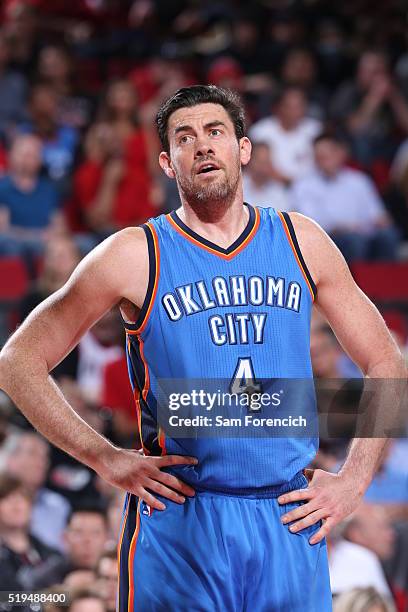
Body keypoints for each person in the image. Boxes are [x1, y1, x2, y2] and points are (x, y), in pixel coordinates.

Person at [0, 85, 405, 610]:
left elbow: (386, 360)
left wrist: (353, 481)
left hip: (286, 517)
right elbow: (17, 362)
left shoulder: (301, 240)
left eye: (215, 132)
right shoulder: (133, 254)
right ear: (168, 164)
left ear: (244, 149)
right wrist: (102, 456)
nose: (203, 146)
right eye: (185, 138)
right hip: (182, 520)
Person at [290, 133, 399, 262]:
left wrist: (382, 221)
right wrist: (343, 227)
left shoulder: (359, 180)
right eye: (318, 157)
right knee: (354, 240)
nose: (322, 161)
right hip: (329, 237)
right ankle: (353, 281)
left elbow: (377, 215)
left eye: (326, 156)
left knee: (388, 235)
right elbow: (309, 223)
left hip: (364, 232)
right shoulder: (304, 184)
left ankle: (385, 281)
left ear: (340, 154)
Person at [249, 85, 322, 185]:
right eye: (290, 107)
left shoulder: (316, 130)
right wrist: (288, 182)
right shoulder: (260, 132)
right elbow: (256, 165)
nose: (295, 111)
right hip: (272, 186)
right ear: (277, 108)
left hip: (311, 187)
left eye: (299, 106)